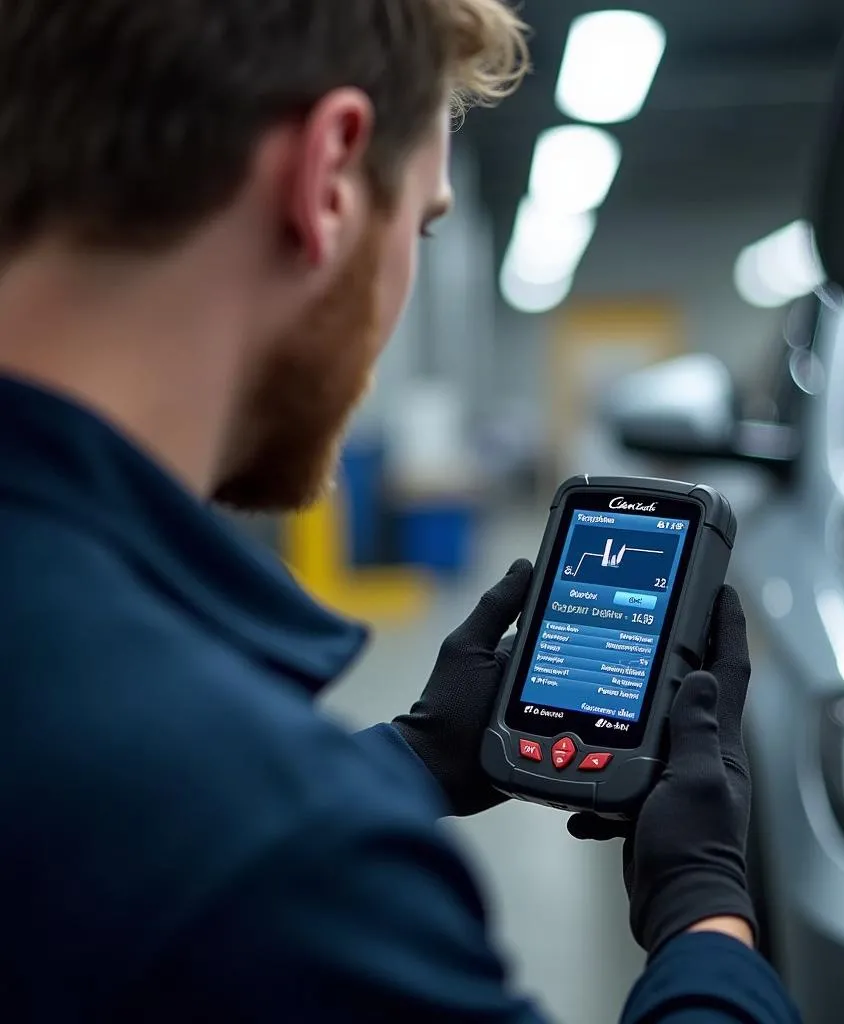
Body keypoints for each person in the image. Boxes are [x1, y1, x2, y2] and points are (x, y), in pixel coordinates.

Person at [0, 1, 801, 1021]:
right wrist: (708, 917)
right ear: (328, 179)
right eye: (421, 221)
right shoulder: (281, 853)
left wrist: (410, 758)